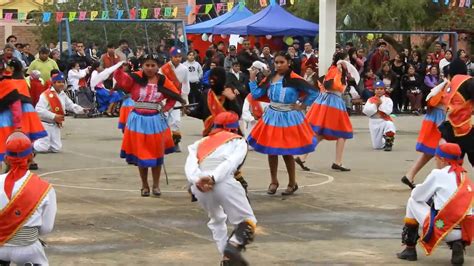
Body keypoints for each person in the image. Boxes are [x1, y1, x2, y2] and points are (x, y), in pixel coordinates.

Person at [185, 112, 257, 266]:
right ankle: (232, 247)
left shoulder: (199, 143)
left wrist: (198, 180)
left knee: (216, 219)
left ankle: (226, 258)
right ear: (234, 128)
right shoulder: (238, 141)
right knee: (247, 221)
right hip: (222, 182)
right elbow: (231, 163)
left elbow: (190, 166)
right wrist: (213, 177)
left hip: (200, 187)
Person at [114, 54, 186, 197]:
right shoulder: (135, 78)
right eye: (147, 65)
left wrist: (165, 109)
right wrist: (118, 68)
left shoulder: (163, 80)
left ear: (158, 66)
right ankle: (144, 185)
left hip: (155, 121)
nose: (150, 68)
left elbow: (174, 95)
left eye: (153, 65)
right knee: (141, 153)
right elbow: (122, 80)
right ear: (142, 65)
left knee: (156, 153)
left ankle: (156, 185)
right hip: (138, 121)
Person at [248, 52, 318, 195]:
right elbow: (255, 95)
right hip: (272, 116)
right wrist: (252, 79)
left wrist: (302, 106)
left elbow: (314, 92)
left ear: (289, 62)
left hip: (288, 117)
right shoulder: (270, 78)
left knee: (287, 152)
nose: (278, 65)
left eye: (282, 62)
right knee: (271, 151)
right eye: (276, 62)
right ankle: (274, 181)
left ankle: (292, 182)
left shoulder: (295, 79)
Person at [396, 143, 473, 265]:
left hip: (442, 227)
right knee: (448, 208)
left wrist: (418, 187)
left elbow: (417, 196)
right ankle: (457, 244)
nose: (435, 161)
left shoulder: (438, 174)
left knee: (412, 201)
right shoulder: (464, 176)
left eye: (436, 158)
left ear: (442, 159)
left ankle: (409, 248)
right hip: (465, 232)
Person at [0, 132, 57, 265]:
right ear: (31, 157)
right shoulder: (45, 188)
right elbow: (46, 228)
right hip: (27, 248)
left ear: (6, 159)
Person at [303, 52, 357, 171]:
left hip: (331, 101)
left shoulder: (338, 71)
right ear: (341, 60)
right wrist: (339, 74)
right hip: (333, 102)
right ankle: (338, 162)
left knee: (321, 134)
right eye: (346, 59)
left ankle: (302, 157)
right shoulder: (335, 70)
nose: (348, 61)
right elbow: (329, 85)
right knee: (343, 132)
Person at [0, 58, 47, 171]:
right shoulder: (15, 81)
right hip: (19, 115)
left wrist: (17, 125)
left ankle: (20, 162)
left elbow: (16, 104)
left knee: (12, 142)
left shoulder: (10, 83)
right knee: (20, 140)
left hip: (14, 116)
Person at [401, 80, 449, 188]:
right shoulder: (447, 87)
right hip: (437, 122)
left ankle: (409, 175)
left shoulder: (440, 87)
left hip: (433, 120)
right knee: (440, 152)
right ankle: (440, 181)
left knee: (430, 152)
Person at [34, 72, 86, 153]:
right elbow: (39, 110)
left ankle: (46, 141)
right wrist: (54, 116)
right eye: (59, 82)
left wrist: (82, 110)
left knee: (56, 148)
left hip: (55, 124)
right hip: (45, 124)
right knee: (43, 148)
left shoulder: (62, 94)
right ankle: (31, 143)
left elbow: (71, 105)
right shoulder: (45, 94)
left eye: (62, 82)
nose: (61, 84)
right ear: (53, 83)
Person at [438, 58, 474, 166]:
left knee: (453, 164)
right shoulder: (469, 81)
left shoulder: (450, 85)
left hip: (454, 127)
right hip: (469, 128)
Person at [188, 67, 242, 136]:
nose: (211, 80)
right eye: (210, 77)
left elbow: (238, 114)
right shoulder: (206, 94)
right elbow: (201, 113)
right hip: (210, 133)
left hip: (228, 135)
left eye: (215, 77)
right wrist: (189, 112)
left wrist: (232, 100)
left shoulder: (230, 92)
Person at [160, 47, 190, 152]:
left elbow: (186, 84)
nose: (178, 59)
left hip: (177, 97)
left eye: (179, 57)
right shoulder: (163, 69)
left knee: (176, 121)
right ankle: (164, 143)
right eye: (175, 57)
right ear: (171, 57)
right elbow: (160, 84)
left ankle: (175, 142)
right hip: (165, 98)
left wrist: (185, 99)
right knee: (164, 120)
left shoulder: (184, 69)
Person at [362, 81, 396, 151]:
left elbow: (388, 111)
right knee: (377, 146)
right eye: (377, 89)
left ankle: (389, 142)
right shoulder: (370, 100)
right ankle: (384, 139)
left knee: (390, 125)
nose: (379, 91)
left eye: (381, 89)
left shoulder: (388, 99)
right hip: (373, 122)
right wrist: (376, 104)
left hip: (384, 120)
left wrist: (381, 104)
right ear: (374, 90)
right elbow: (366, 111)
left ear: (384, 90)